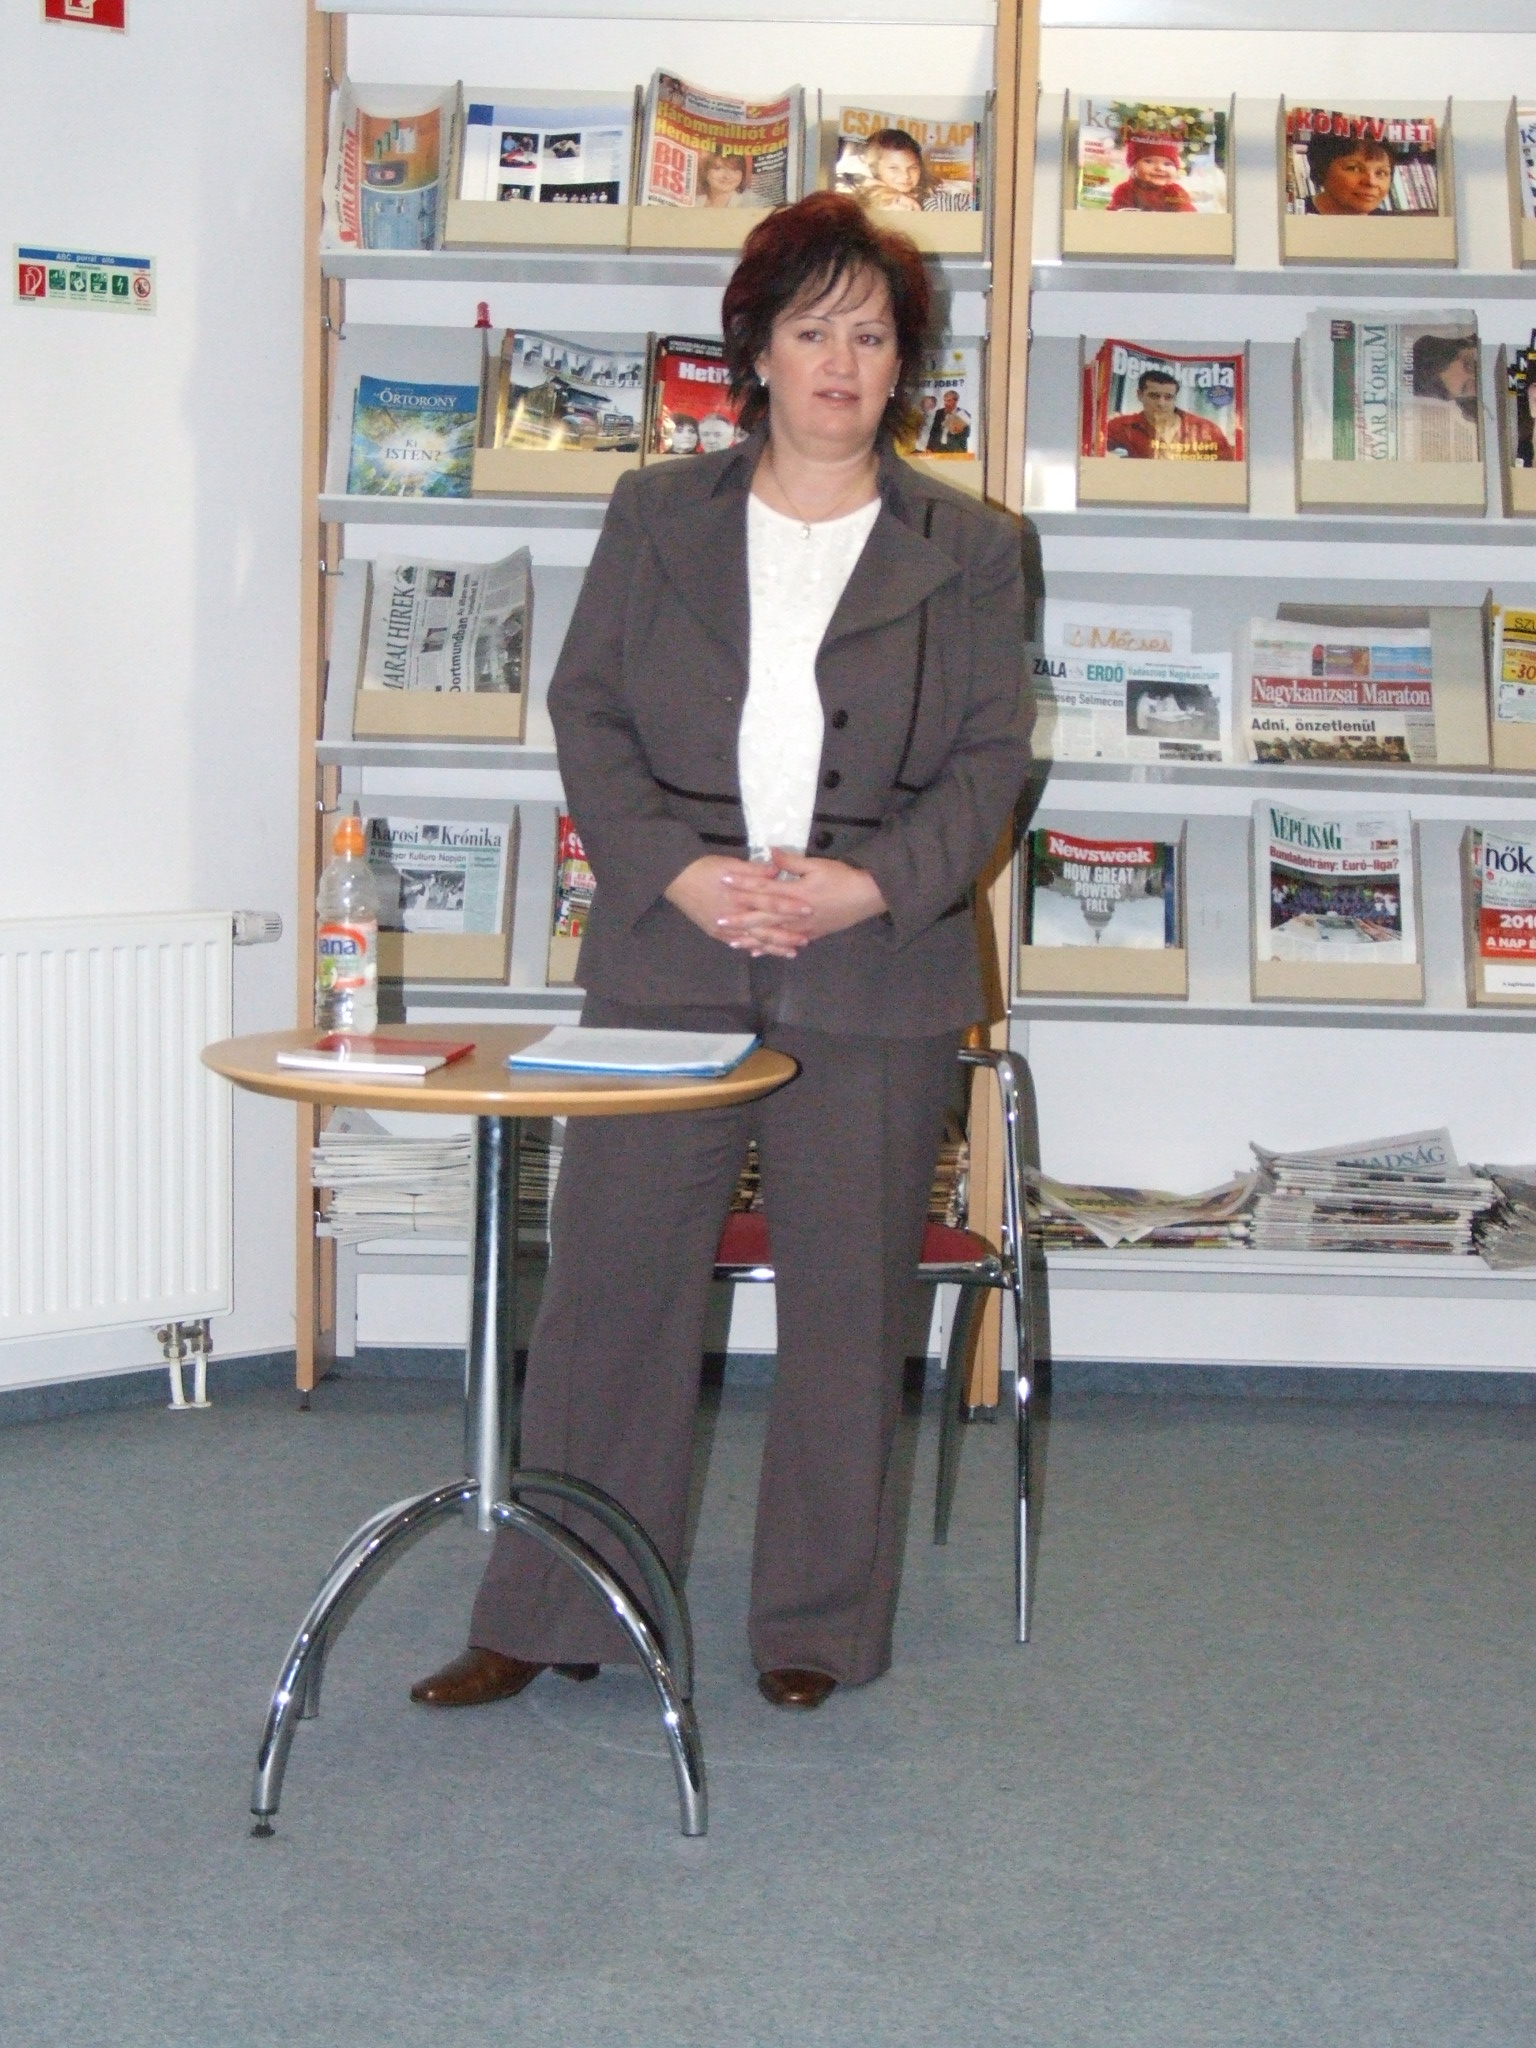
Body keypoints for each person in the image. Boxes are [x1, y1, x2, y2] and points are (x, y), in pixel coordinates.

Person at [410, 190, 1033, 1716]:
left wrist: (861, 890)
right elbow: (587, 711)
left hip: (871, 965)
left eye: (872, 336)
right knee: (608, 1293)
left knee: (847, 1307)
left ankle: (816, 1630)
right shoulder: (655, 514)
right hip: (668, 948)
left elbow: (989, 764)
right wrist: (681, 876)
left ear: (905, 364)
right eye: (814, 331)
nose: (843, 363)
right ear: (755, 353)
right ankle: (551, 1610)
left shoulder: (974, 546)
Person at [1105, 365, 1233, 461]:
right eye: (1154, 396)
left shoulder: (1206, 429)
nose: (1161, 403)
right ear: (1140, 395)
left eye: (1168, 397)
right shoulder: (1120, 426)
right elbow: (1097, 453)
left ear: (1175, 398)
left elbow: (1227, 471)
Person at [1303, 131, 1395, 215]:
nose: (1371, 182)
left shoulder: (1391, 223)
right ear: (1321, 170)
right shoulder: (1297, 212)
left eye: (1380, 173)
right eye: (1354, 169)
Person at [1107, 135, 1195, 213]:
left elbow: (1187, 215)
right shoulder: (1125, 190)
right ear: (1133, 167)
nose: (1160, 168)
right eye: (1149, 161)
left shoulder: (1176, 191)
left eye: (1168, 164)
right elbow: (1121, 217)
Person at [1411, 333, 1480, 423]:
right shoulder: (1482, 415)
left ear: (1468, 342)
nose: (1476, 377)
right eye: (1467, 387)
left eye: (1470, 365)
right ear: (1452, 397)